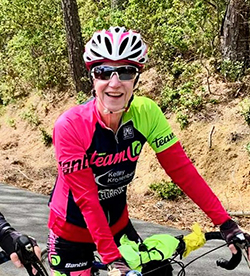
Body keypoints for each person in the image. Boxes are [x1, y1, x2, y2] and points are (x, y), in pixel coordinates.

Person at [47, 26, 250, 276]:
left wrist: (225, 223)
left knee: (159, 271)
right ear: (92, 77)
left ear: (137, 78)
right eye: (104, 72)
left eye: (125, 72)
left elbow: (181, 170)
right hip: (72, 230)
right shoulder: (71, 125)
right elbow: (87, 199)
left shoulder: (147, 113)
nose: (114, 83)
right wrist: (114, 261)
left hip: (118, 225)